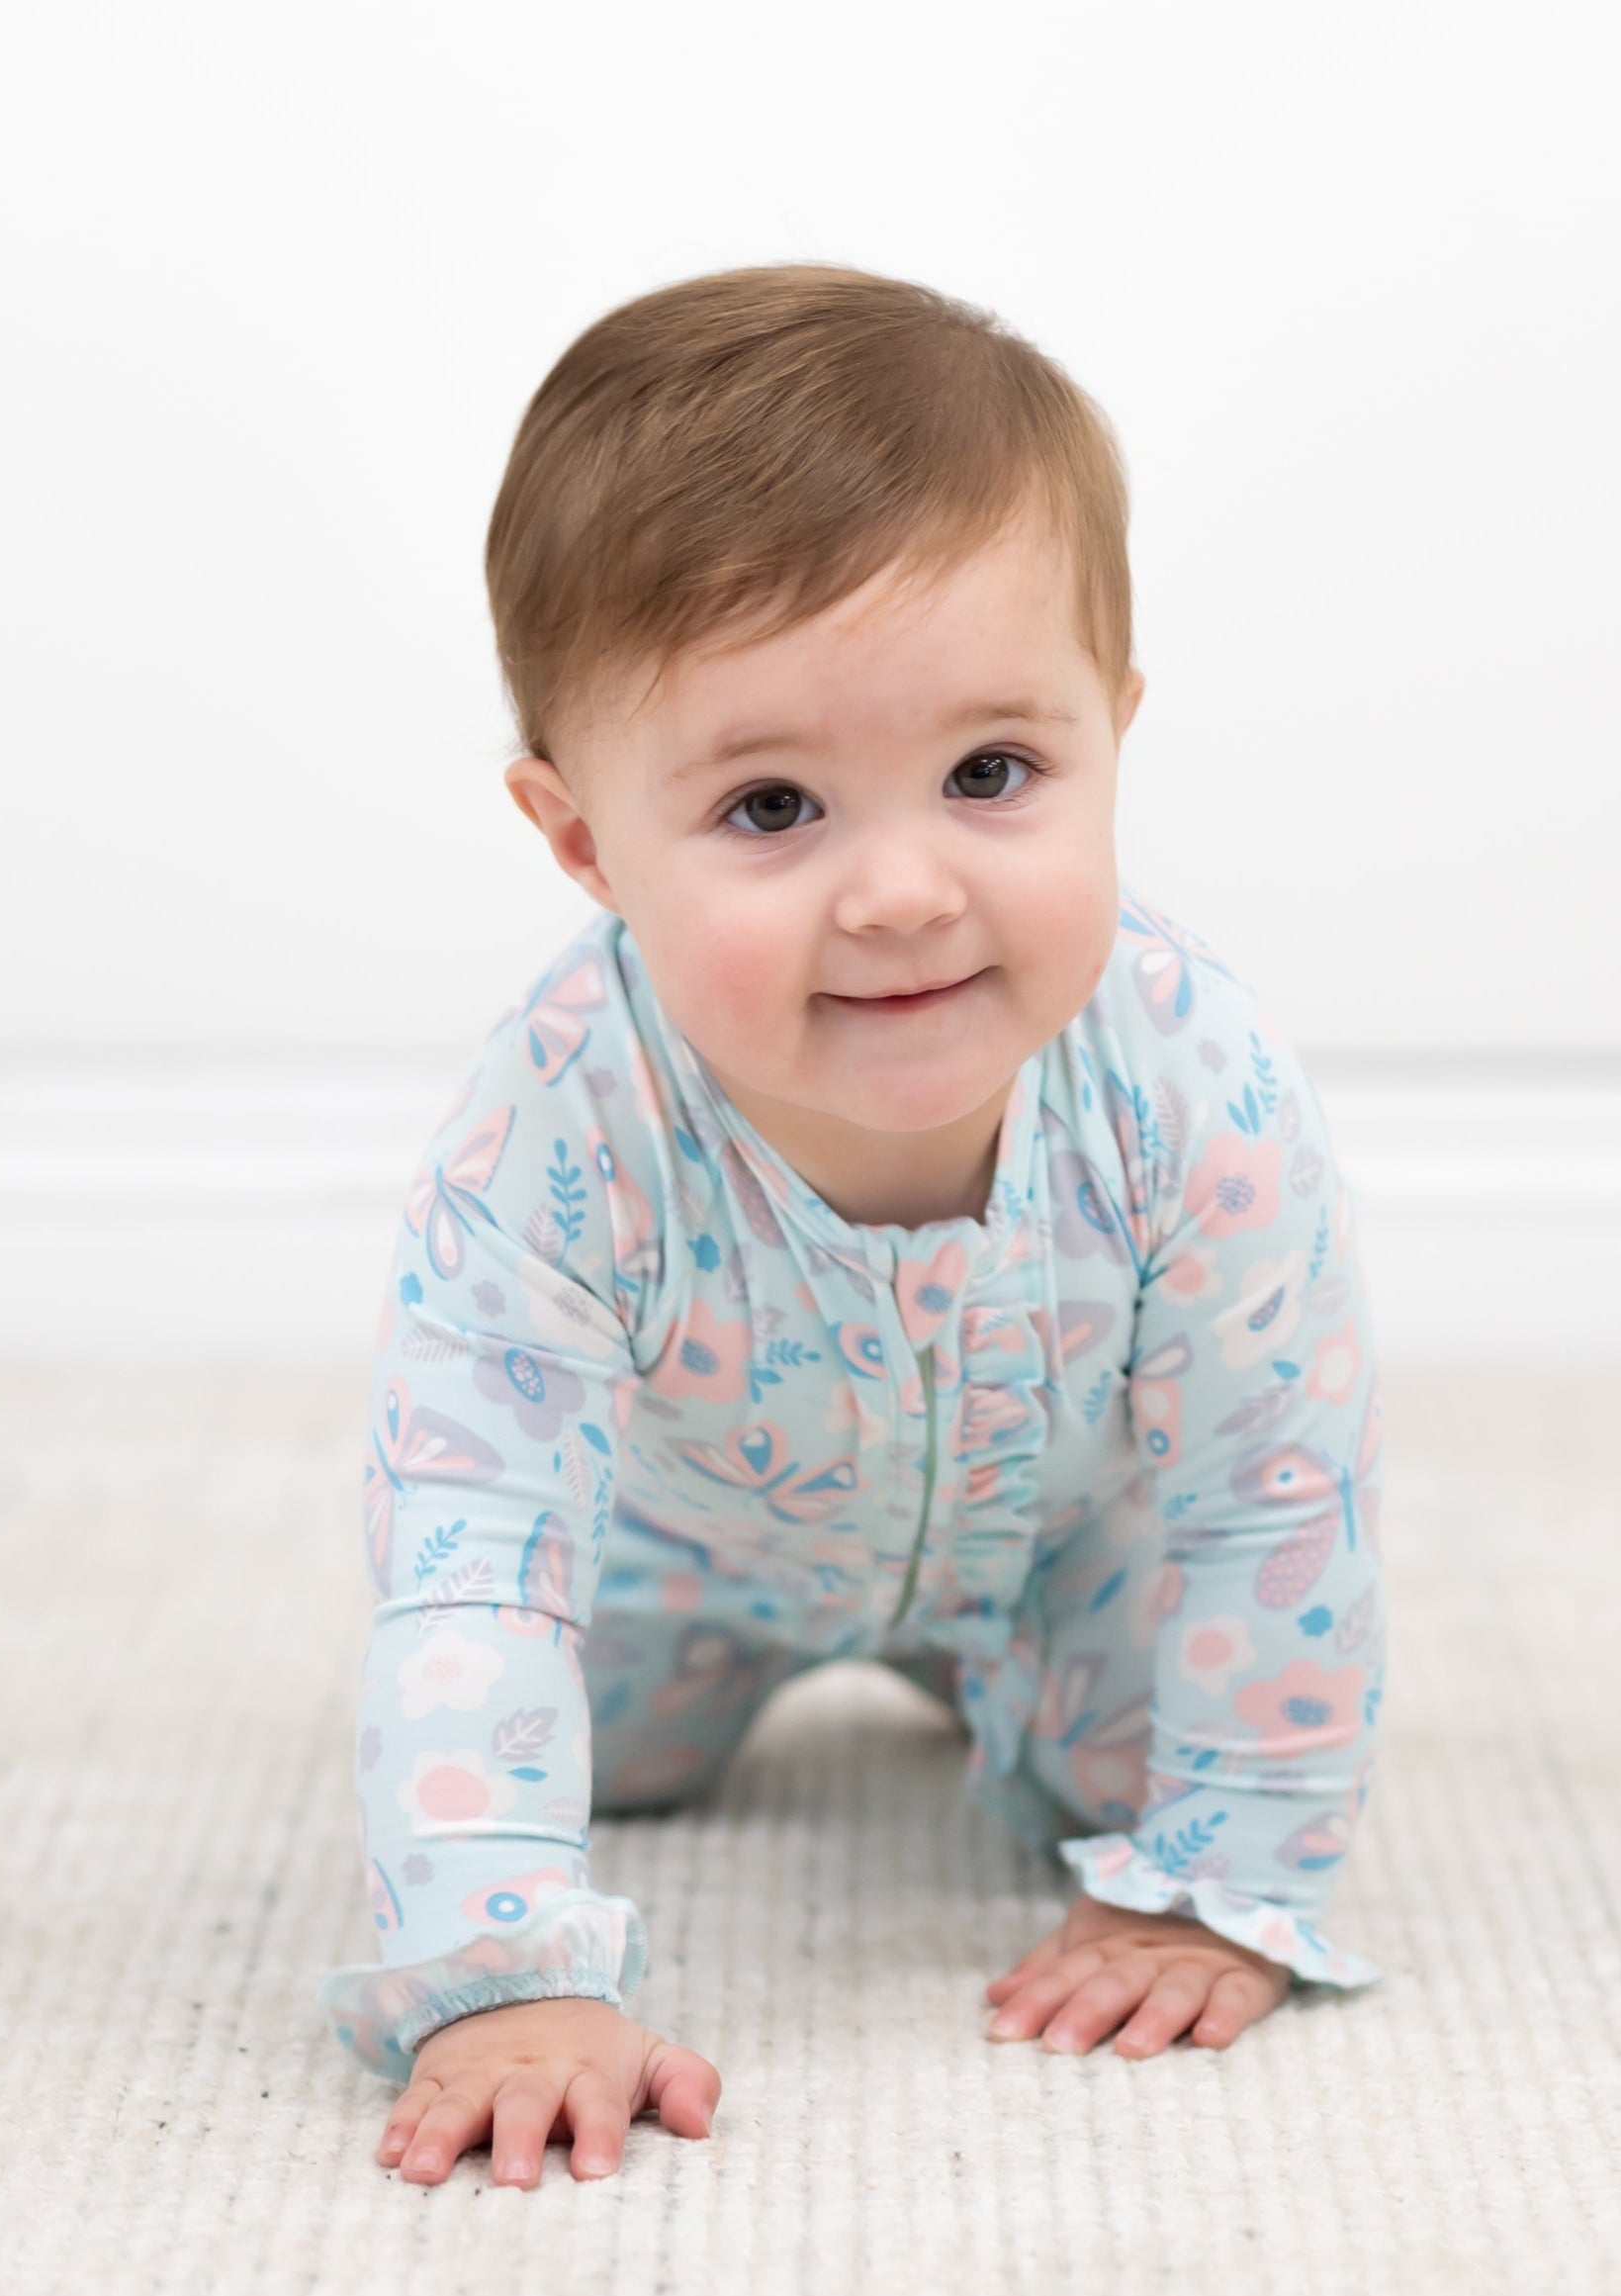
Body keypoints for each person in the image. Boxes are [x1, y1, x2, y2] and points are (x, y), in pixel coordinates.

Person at [320, 262, 1390, 2190]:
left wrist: (1220, 1875)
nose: (901, 890)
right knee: (570, 1755)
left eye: (992, 775)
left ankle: (1064, 1736)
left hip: (1058, 1554)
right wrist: (498, 1976)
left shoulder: (1192, 1082)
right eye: (770, 807)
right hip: (667, 1558)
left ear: (1114, 732)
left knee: (1134, 1779)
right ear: (583, 841)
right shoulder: (558, 1127)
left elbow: (1270, 1493)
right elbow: (477, 1554)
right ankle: (691, 1712)